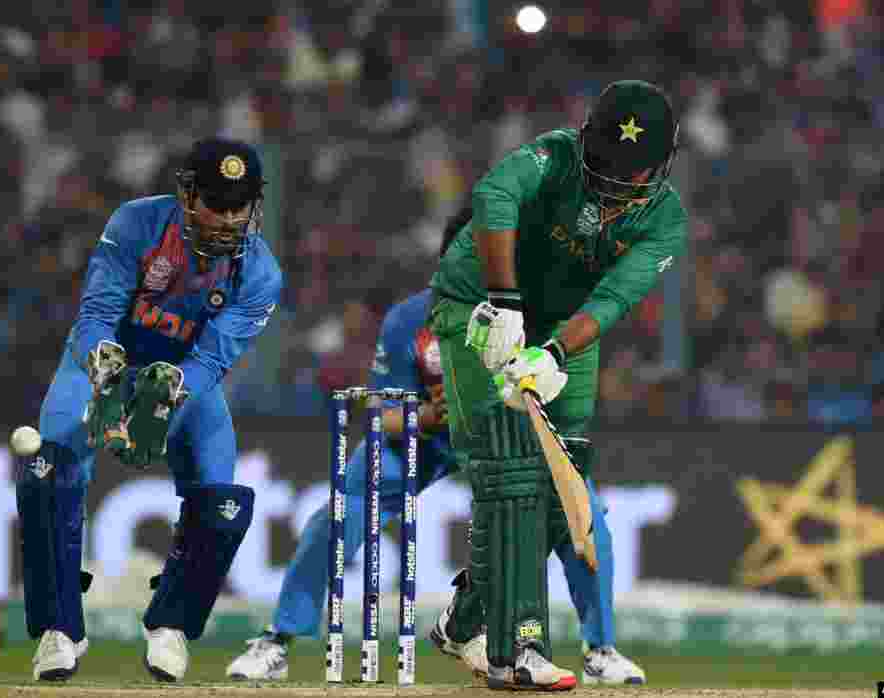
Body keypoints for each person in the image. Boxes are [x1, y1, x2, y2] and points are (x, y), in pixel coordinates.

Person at [225, 207, 642, 687]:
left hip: (510, 439)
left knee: (585, 516)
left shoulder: (537, 310)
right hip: (427, 439)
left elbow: (556, 392)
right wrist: (427, 414)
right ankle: (277, 639)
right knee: (340, 513)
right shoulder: (411, 318)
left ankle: (600, 647)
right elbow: (381, 415)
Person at [428, 80, 687, 690]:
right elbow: (493, 194)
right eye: (605, 166)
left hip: (564, 331)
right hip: (477, 302)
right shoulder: (554, 154)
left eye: (633, 174)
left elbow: (616, 296)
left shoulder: (667, 221)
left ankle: (463, 622)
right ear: (586, 139)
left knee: (561, 475)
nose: (615, 185)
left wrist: (551, 351)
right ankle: (518, 647)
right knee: (506, 463)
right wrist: (502, 302)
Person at [17, 138, 282, 683]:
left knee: (224, 502)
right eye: (216, 203)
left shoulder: (260, 276)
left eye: (239, 206)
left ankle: (172, 627)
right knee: (48, 472)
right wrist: (102, 363)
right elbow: (97, 310)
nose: (228, 219)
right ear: (188, 196)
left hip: (183, 380)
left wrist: (169, 392)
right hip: (100, 366)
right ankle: (59, 629)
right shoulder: (137, 223)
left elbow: (213, 360)